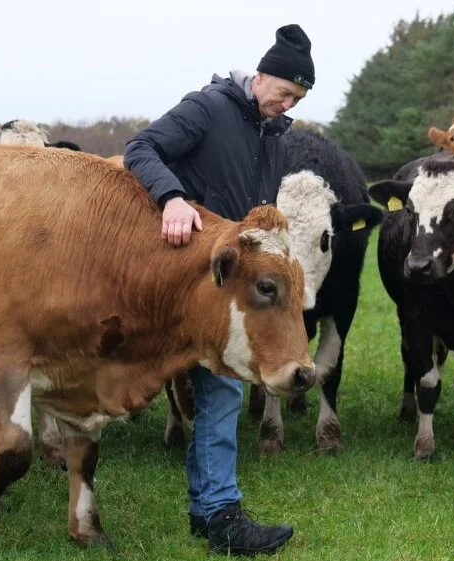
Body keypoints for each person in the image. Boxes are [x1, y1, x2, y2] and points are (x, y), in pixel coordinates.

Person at [123, 23, 314, 556]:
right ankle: (80, 500)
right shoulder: (209, 107)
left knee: (224, 389)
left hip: (232, 290)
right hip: (175, 277)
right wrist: (173, 198)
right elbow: (141, 148)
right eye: (285, 93)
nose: (287, 104)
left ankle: (217, 513)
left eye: (297, 98)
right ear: (262, 76)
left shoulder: (275, 134)